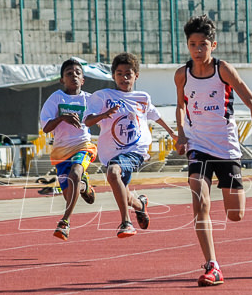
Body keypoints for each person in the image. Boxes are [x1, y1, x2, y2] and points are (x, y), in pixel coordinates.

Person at [174, 15, 252, 286]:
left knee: (235, 214)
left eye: (203, 44)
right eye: (192, 44)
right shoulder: (182, 74)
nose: (197, 49)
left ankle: (225, 195)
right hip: (198, 147)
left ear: (213, 45)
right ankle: (212, 265)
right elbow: (181, 105)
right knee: (200, 203)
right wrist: (181, 133)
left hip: (226, 149)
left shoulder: (223, 70)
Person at [86, 52, 178, 238]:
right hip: (111, 152)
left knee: (113, 173)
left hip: (135, 151)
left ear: (136, 75)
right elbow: (88, 121)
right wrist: (104, 115)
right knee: (125, 195)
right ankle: (140, 205)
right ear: (113, 76)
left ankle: (126, 222)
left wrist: (173, 133)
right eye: (119, 73)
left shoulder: (142, 97)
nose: (124, 77)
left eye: (128, 73)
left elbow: (156, 116)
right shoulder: (102, 96)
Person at [39, 58, 98, 240]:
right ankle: (84, 186)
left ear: (83, 80)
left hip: (83, 146)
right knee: (70, 192)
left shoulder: (89, 99)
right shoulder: (56, 98)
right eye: (69, 74)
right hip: (61, 152)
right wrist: (62, 118)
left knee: (75, 173)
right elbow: (46, 127)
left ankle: (65, 222)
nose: (74, 76)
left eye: (77, 73)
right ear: (62, 80)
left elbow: (102, 120)